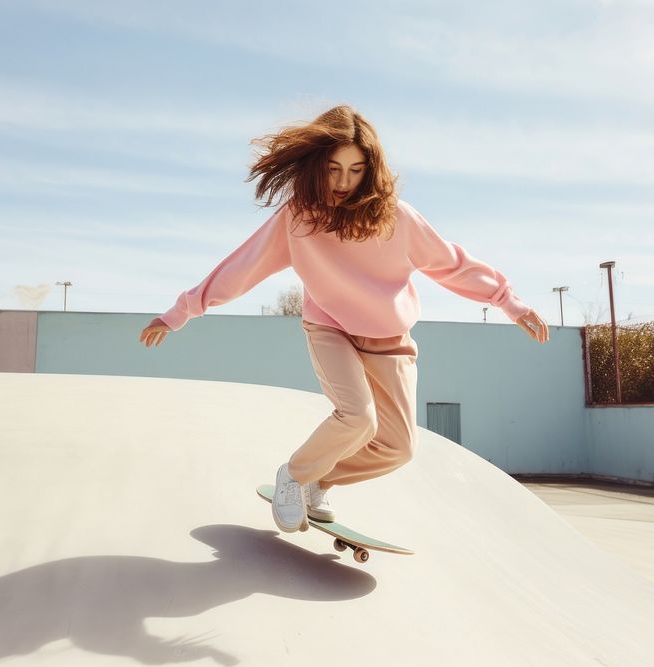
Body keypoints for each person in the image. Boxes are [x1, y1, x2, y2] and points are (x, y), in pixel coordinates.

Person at [140, 105, 549, 534]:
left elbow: (452, 264)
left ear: (370, 170)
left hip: (390, 339)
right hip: (329, 328)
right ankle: (294, 477)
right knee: (358, 417)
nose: (342, 182)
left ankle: (320, 479)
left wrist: (509, 301)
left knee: (398, 447)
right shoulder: (299, 218)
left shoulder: (397, 218)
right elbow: (244, 266)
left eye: (355, 170)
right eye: (333, 169)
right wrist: (179, 312)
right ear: (318, 167)